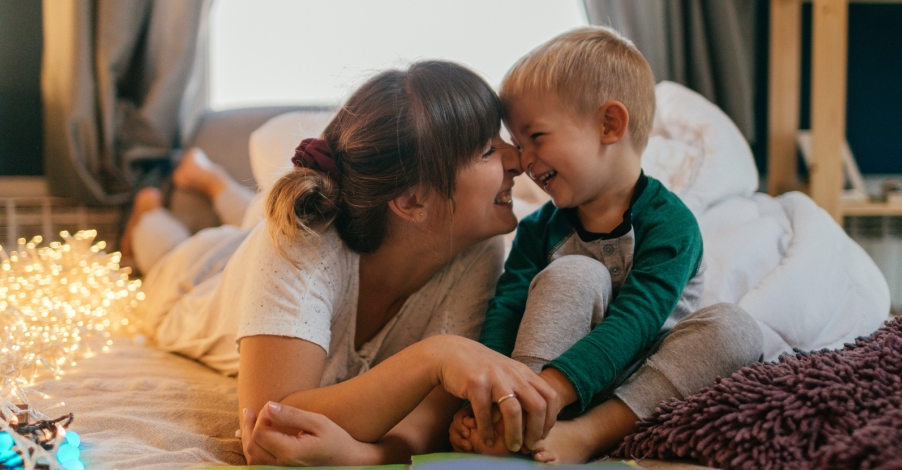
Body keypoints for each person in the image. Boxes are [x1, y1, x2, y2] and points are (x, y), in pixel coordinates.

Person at [121, 60, 560, 466]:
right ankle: (149, 207)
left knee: (253, 221)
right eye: (487, 150)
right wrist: (435, 356)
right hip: (197, 278)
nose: (516, 159)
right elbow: (272, 419)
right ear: (412, 200)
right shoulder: (301, 239)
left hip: (273, 250)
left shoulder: (478, 250)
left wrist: (367, 457)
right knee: (165, 249)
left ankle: (214, 182)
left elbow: (430, 418)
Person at [448, 27, 764, 463]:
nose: (523, 160)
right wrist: (485, 395)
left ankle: (587, 434)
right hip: (539, 384)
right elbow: (507, 308)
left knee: (736, 328)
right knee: (577, 272)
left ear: (609, 125)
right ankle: (517, 417)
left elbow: (637, 320)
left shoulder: (671, 224)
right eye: (518, 145)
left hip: (639, 383)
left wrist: (556, 390)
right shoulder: (539, 228)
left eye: (536, 137)